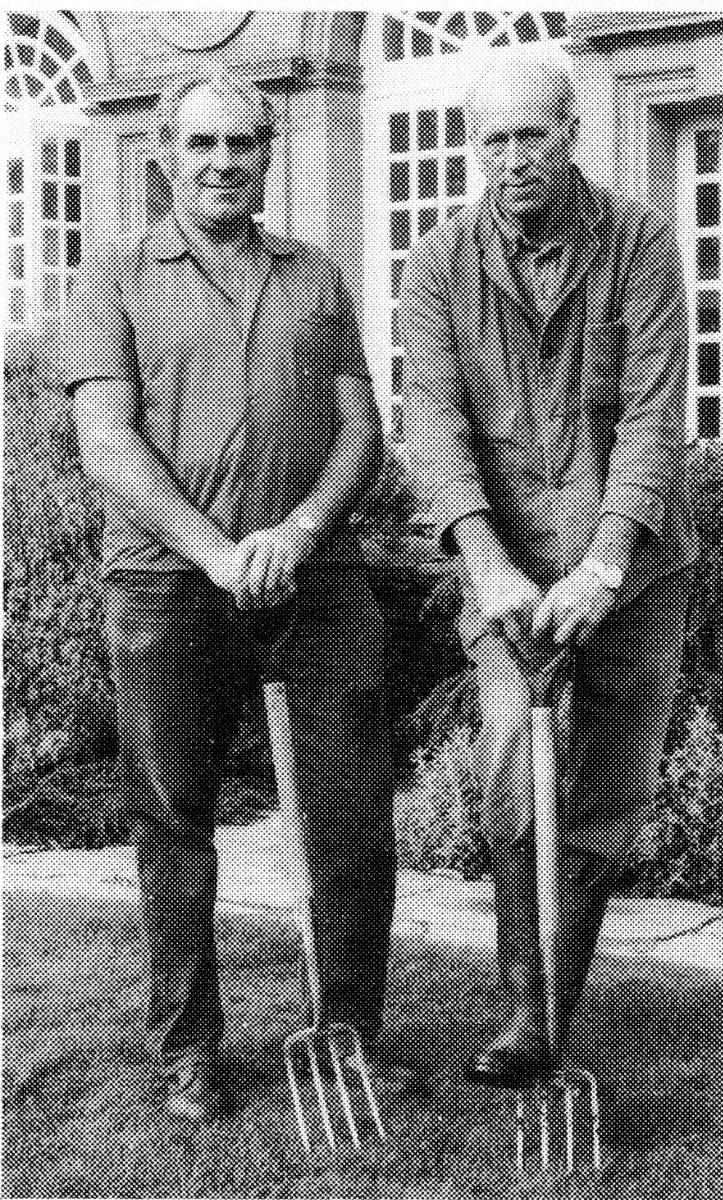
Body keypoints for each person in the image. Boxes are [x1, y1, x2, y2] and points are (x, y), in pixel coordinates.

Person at [64, 73, 396, 1122]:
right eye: (201, 143)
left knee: (349, 813)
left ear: (269, 146)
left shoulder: (317, 276)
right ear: (165, 148)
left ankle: (345, 1033)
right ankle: (189, 1052)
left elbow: (359, 430)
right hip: (168, 583)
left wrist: (298, 532)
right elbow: (107, 442)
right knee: (174, 818)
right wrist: (216, 551)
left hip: (319, 577)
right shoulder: (113, 275)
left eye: (241, 143)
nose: (221, 162)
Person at [399, 51, 697, 1087]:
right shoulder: (437, 263)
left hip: (638, 570)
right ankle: (526, 1016)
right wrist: (487, 562)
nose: (514, 158)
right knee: (511, 781)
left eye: (533, 134)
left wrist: (607, 563)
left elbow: (658, 414)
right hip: (508, 573)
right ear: (472, 147)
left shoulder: (643, 241)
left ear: (571, 132)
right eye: (495, 139)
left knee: (608, 799)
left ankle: (546, 1014)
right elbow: (431, 427)